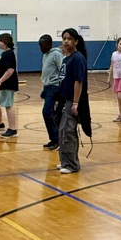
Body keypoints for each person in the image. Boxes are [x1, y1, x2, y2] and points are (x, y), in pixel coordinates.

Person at [55, 28, 91, 174]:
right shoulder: (66, 58)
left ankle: (72, 164)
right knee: (63, 130)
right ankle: (65, 161)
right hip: (65, 99)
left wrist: (75, 103)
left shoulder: (77, 58)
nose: (66, 41)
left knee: (69, 130)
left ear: (76, 41)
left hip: (74, 100)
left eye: (69, 39)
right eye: (64, 38)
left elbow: (78, 82)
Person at [0, 33, 19, 138]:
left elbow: (10, 70)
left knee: (8, 105)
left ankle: (12, 129)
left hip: (7, 84)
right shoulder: (3, 54)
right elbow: (1, 66)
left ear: (5, 42)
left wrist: (0, 81)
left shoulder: (10, 54)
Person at [38, 34, 63, 150]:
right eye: (39, 46)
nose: (40, 48)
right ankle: (54, 138)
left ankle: (57, 139)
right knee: (50, 113)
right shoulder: (45, 55)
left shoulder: (57, 54)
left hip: (54, 87)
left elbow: (62, 71)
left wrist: (60, 90)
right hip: (47, 87)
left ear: (49, 44)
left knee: (47, 112)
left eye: (42, 45)